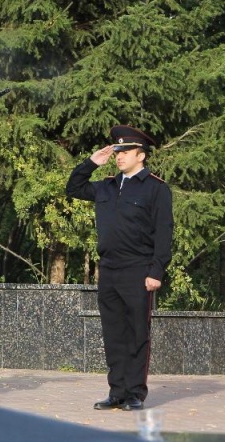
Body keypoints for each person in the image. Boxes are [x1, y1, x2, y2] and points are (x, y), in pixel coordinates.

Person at [66, 125, 173, 411]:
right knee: (113, 334)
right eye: (117, 152)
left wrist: (156, 271)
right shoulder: (108, 186)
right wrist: (91, 163)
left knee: (137, 332)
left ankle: (135, 393)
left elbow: (164, 233)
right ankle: (117, 391)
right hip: (109, 269)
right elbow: (73, 188)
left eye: (125, 151)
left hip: (138, 269)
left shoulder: (156, 188)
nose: (119, 156)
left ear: (141, 155)